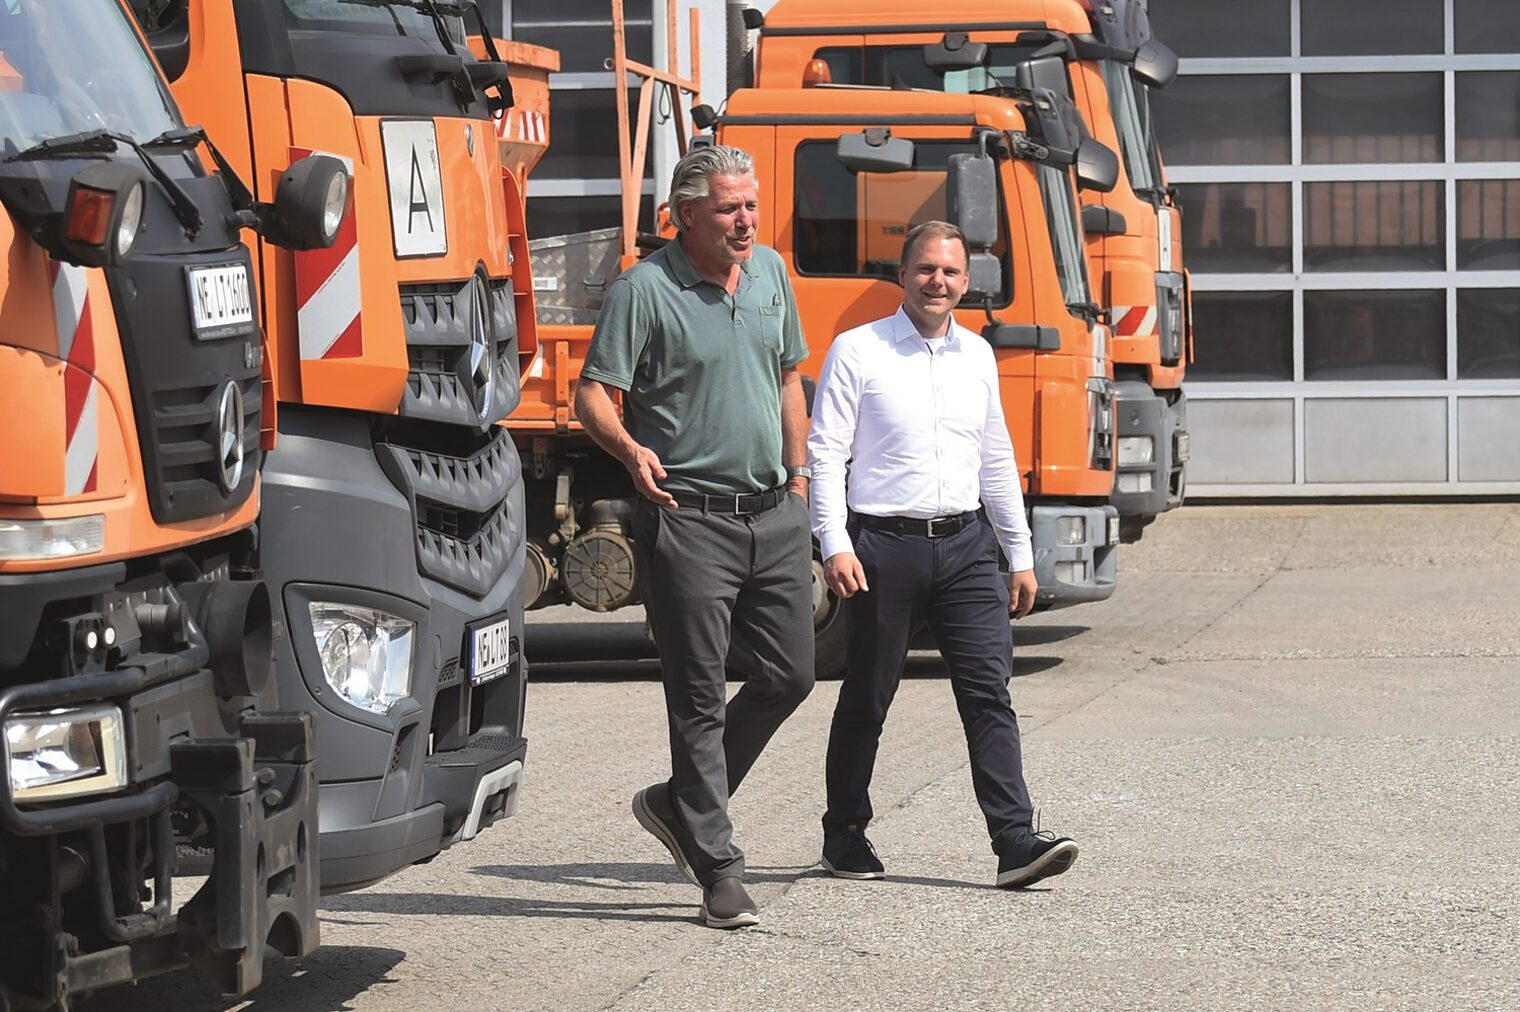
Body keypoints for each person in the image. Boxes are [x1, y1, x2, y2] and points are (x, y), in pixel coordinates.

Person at [574, 145, 815, 929]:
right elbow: (594, 397)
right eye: (729, 208)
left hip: (774, 513)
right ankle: (717, 865)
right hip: (690, 521)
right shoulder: (644, 291)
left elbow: (786, 379)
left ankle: (679, 806)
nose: (746, 220)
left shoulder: (772, 272)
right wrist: (631, 449)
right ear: (685, 215)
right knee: (700, 699)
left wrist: (803, 479)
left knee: (790, 676)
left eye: (750, 205)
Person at [806, 220, 1078, 889]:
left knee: (989, 694)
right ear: (902, 275)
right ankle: (844, 833)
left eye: (952, 272)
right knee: (868, 697)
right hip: (881, 552)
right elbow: (824, 454)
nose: (939, 282)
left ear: (967, 280)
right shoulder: (858, 351)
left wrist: (1018, 552)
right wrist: (834, 543)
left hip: (966, 548)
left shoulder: (978, 356)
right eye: (926, 269)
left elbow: (995, 458)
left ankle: (1014, 840)